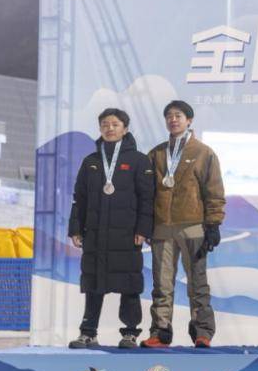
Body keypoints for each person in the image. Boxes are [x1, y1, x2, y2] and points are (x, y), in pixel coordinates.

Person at [140, 100, 225, 348]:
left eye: (178, 115)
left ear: (189, 120)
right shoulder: (156, 153)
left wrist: (214, 224)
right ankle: (160, 331)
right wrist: (145, 224)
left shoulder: (203, 153)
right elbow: (146, 193)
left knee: (197, 282)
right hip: (162, 227)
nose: (173, 119)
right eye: (169, 116)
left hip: (193, 225)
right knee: (162, 283)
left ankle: (202, 332)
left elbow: (214, 191)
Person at [67, 108, 154, 349]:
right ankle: (88, 332)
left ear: (125, 129)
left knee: (130, 284)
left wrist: (143, 230)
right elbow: (79, 198)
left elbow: (148, 199)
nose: (109, 128)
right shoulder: (91, 162)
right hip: (95, 234)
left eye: (115, 124)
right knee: (93, 283)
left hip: (127, 235)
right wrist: (76, 228)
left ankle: (130, 333)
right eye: (105, 124)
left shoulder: (139, 160)